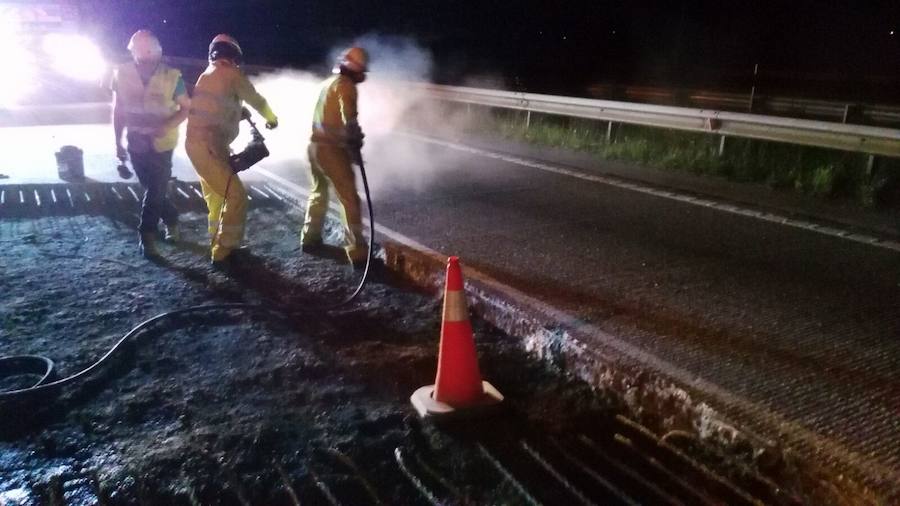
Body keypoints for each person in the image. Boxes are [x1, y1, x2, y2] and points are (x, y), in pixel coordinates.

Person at [185, 34, 278, 266]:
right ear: (234, 55)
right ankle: (225, 251)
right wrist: (271, 118)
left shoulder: (208, 75)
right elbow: (256, 99)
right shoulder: (232, 74)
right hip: (209, 147)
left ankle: (217, 241)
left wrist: (237, 110)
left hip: (200, 146)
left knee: (217, 197)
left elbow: (218, 104)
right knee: (236, 197)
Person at [112, 30, 190, 258]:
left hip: (162, 143)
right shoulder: (121, 73)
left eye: (149, 51)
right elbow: (118, 110)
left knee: (155, 190)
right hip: (136, 141)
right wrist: (117, 143)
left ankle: (146, 236)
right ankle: (172, 220)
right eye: (140, 50)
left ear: (157, 52)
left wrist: (167, 125)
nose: (145, 55)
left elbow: (186, 108)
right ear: (133, 51)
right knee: (153, 189)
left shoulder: (172, 76)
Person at [301, 47, 369, 268]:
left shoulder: (328, 83)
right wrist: (354, 140)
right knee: (349, 198)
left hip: (313, 147)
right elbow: (349, 118)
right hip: (330, 150)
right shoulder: (346, 86)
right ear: (356, 70)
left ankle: (309, 238)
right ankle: (358, 252)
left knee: (318, 193)